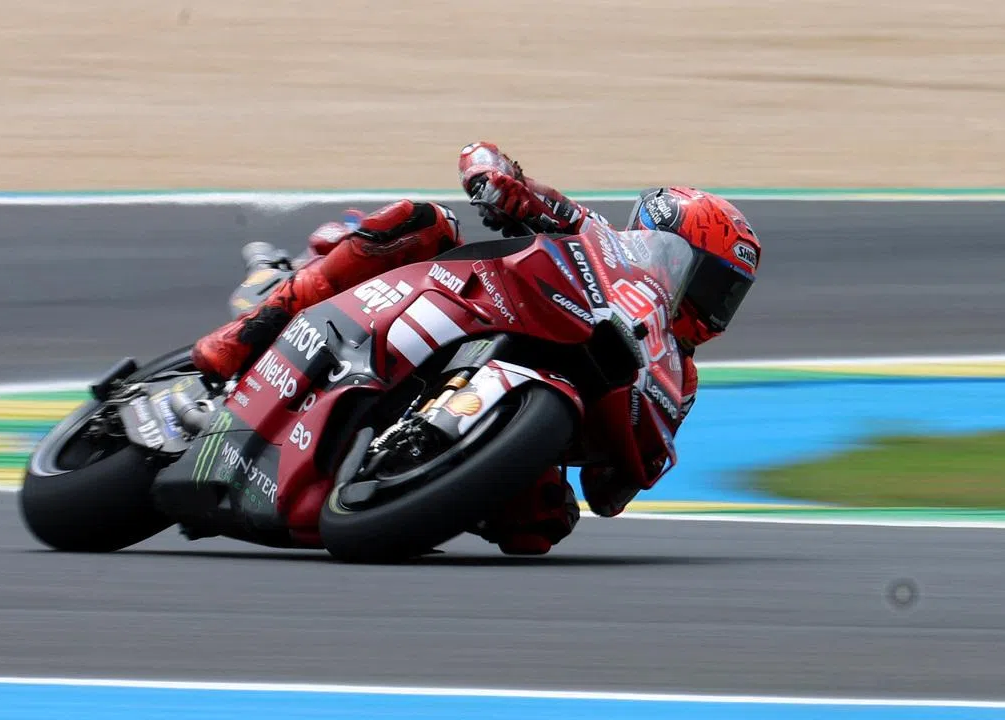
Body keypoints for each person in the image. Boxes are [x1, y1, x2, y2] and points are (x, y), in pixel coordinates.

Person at [191, 142, 763, 555]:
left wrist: (630, 457)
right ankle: (257, 323)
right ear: (666, 245)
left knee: (542, 526)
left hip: (536, 403)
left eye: (728, 297)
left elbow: (612, 493)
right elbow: (505, 177)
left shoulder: (679, 379)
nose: (715, 307)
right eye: (712, 283)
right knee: (423, 223)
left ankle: (404, 484)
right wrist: (492, 177)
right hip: (473, 307)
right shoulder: (598, 236)